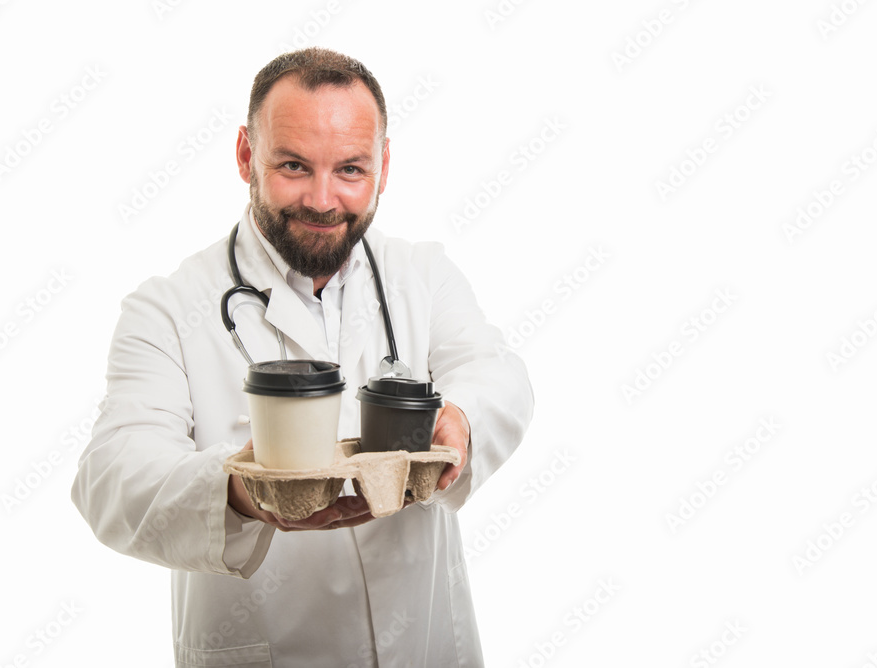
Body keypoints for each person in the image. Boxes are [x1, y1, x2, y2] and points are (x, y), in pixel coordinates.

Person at [71, 47, 534, 668]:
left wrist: (462, 419)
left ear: (384, 166)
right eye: (293, 165)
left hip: (425, 646)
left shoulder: (422, 274)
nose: (323, 200)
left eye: (351, 169)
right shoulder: (167, 308)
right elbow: (111, 476)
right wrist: (237, 492)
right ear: (246, 155)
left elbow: (497, 372)